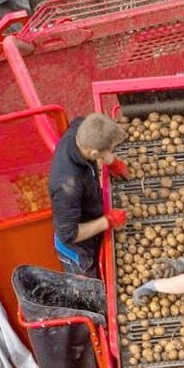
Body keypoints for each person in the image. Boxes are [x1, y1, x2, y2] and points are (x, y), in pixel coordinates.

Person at [49, 113, 130, 278]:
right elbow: (68, 234)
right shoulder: (68, 186)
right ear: (93, 153)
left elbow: (86, 121)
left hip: (86, 217)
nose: (108, 153)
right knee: (92, 291)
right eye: (106, 151)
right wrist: (108, 221)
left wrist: (112, 162)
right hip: (77, 252)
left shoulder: (80, 128)